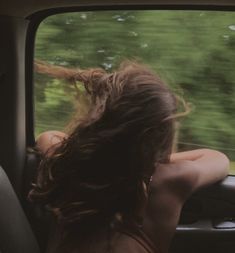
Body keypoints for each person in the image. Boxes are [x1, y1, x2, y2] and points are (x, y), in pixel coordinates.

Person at [29, 61, 229, 253]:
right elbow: (218, 158)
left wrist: (100, 150)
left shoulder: (69, 166)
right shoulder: (167, 181)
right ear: (160, 141)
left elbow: (48, 137)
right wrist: (151, 163)